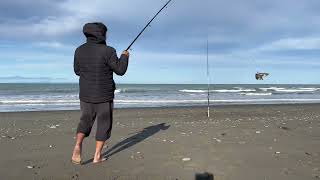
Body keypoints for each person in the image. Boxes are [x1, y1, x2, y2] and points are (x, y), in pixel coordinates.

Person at [71, 22, 129, 164]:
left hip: (86, 94)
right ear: (101, 34)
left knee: (85, 121)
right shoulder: (108, 51)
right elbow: (120, 70)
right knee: (104, 124)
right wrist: (125, 56)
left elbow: (77, 71)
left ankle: (78, 145)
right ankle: (97, 156)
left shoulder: (79, 50)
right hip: (104, 95)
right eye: (105, 32)